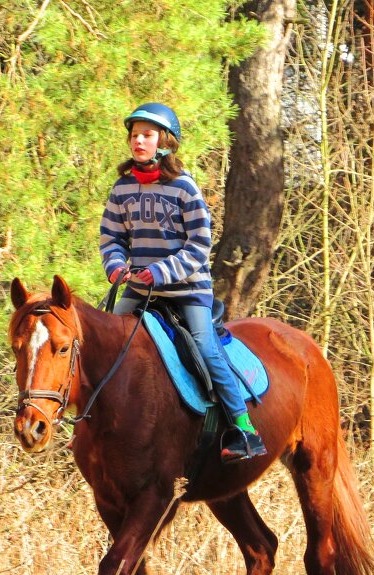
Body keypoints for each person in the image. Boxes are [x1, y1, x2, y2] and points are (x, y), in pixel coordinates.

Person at [100, 102, 267, 463]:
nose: (138, 141)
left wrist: (160, 272)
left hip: (188, 291)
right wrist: (115, 266)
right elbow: (112, 238)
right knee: (105, 341)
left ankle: (244, 429)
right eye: (134, 135)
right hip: (139, 291)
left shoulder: (184, 187)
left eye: (146, 135)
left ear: (165, 142)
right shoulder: (122, 188)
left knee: (206, 348)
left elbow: (199, 246)